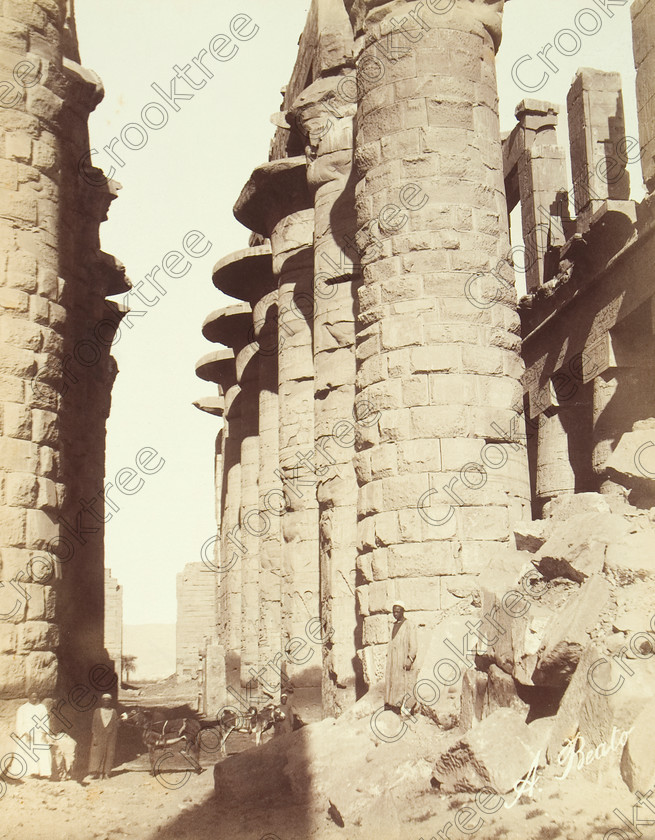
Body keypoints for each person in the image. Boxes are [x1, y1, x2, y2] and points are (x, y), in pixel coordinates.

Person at [384, 600, 418, 716]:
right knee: (393, 681)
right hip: (393, 660)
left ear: (403, 611)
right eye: (394, 612)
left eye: (398, 611)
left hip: (402, 658)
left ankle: (406, 707)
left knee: (404, 683)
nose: (396, 614)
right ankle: (392, 705)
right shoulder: (393, 625)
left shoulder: (409, 625)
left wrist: (410, 658)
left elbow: (413, 644)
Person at [15, 692, 52, 778]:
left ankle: (44, 773)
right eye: (32, 697)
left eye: (36, 697)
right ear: (29, 697)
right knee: (27, 749)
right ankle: (30, 772)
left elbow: (45, 721)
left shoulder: (42, 708)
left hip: (39, 733)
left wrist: (44, 732)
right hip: (27, 734)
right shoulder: (22, 708)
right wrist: (24, 733)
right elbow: (19, 723)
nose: (34, 699)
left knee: (43, 750)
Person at [88, 694, 119, 780]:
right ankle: (98, 772)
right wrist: (95, 736)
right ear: (102, 701)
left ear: (110, 702)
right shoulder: (97, 711)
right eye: (104, 701)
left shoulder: (114, 712)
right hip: (99, 736)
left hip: (110, 736)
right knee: (98, 754)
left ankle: (106, 773)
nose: (106, 702)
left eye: (108, 701)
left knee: (109, 754)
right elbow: (94, 725)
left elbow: (116, 724)